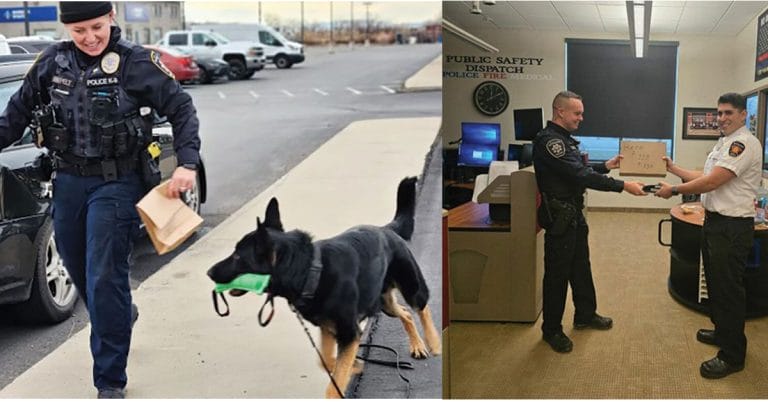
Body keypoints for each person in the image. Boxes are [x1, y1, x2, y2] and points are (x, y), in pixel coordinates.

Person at [0, 2, 201, 398]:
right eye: (79, 31)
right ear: (67, 30)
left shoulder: (137, 63)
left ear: (111, 18)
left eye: (96, 27)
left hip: (117, 182)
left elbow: (182, 109)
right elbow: (15, 115)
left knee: (104, 276)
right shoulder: (51, 63)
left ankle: (109, 381)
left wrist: (188, 163)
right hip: (69, 182)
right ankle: (122, 315)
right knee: (78, 271)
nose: (90, 38)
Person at [655, 93, 761, 379]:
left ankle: (732, 355)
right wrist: (673, 168)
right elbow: (703, 173)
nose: (722, 118)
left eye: (728, 113)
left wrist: (673, 191)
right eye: (719, 113)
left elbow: (714, 181)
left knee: (728, 289)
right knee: (714, 283)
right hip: (714, 223)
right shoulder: (724, 143)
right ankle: (722, 331)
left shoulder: (744, 144)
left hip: (732, 227)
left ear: (742, 115)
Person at [532, 90, 647, 353]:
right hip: (561, 219)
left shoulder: (563, 140)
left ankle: (585, 314)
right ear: (560, 112)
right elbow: (579, 174)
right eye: (577, 113)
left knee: (581, 267)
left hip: (573, 215)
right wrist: (623, 185)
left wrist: (605, 166)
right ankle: (551, 330)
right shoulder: (551, 142)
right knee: (557, 276)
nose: (581, 118)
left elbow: (576, 168)